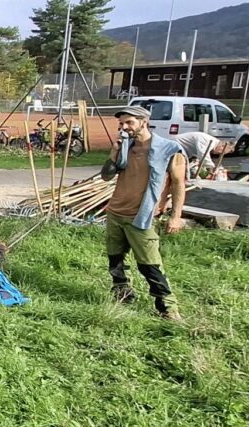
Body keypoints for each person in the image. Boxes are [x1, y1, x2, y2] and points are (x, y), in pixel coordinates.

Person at [106, 106, 188, 320]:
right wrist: (114, 152)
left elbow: (179, 184)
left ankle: (168, 309)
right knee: (115, 259)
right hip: (116, 211)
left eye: (129, 123)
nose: (124, 127)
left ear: (144, 121)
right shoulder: (126, 147)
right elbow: (106, 176)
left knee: (150, 264)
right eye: (121, 124)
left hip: (141, 216)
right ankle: (122, 293)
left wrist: (176, 216)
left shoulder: (170, 149)